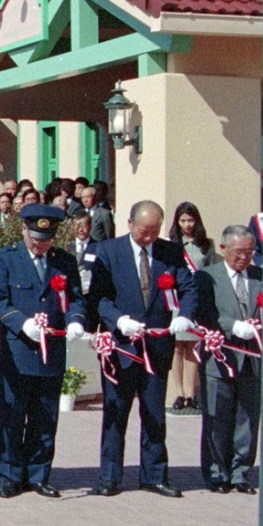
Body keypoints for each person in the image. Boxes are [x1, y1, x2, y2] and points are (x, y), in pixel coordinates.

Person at [86, 201, 198, 498]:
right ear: (129, 224)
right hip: (121, 348)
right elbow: (98, 296)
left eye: (154, 231)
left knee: (154, 414)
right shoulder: (109, 252)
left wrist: (184, 314)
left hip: (157, 346)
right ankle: (110, 476)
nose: (149, 237)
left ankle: (155, 474)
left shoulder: (170, 252)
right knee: (115, 413)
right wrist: (118, 320)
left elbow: (188, 287)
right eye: (143, 231)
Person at [0, 204, 85, 498]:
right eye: (35, 238)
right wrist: (22, 324)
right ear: (24, 231)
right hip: (18, 351)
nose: (40, 244)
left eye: (45, 239)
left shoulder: (64, 262)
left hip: (51, 352)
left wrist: (76, 321)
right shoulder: (6, 259)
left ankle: (39, 473)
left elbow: (76, 298)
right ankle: (9, 474)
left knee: (45, 415)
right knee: (13, 416)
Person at [189, 225, 263, 493]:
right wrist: (232, 325)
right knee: (217, 417)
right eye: (238, 252)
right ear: (223, 249)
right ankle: (216, 472)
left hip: (253, 358)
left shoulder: (261, 276)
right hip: (220, 356)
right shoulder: (206, 277)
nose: (244, 258)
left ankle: (241, 472)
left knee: (247, 417)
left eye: (249, 252)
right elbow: (205, 313)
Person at [167, 201, 215, 413]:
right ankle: (178, 392)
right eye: (183, 220)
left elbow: (212, 271)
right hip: (176, 298)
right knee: (177, 346)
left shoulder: (206, 244)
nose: (187, 224)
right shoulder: (171, 245)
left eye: (191, 220)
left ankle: (191, 392)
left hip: (197, 299)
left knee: (194, 346)